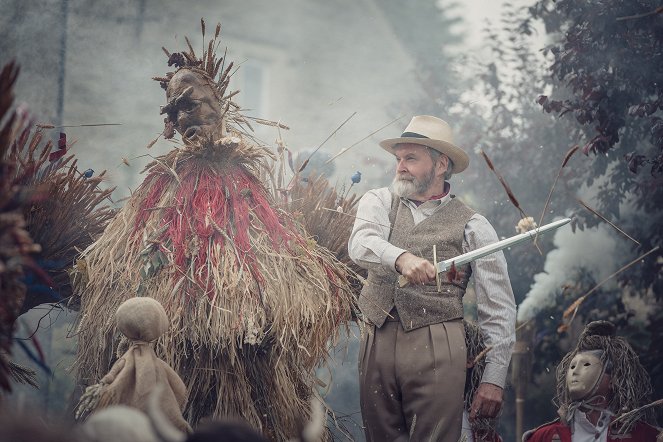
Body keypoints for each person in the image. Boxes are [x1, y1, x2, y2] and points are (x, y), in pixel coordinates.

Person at [348, 115, 516, 441]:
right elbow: (359, 244)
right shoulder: (379, 201)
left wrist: (494, 377)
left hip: (439, 342)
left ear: (440, 165)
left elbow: (498, 306)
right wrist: (401, 258)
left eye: (411, 158)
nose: (400, 167)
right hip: (377, 336)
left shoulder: (474, 225)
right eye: (399, 159)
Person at [523, 321, 659, 441]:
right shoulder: (543, 437)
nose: (575, 372)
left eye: (586, 364)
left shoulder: (643, 436)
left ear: (613, 379)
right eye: (572, 366)